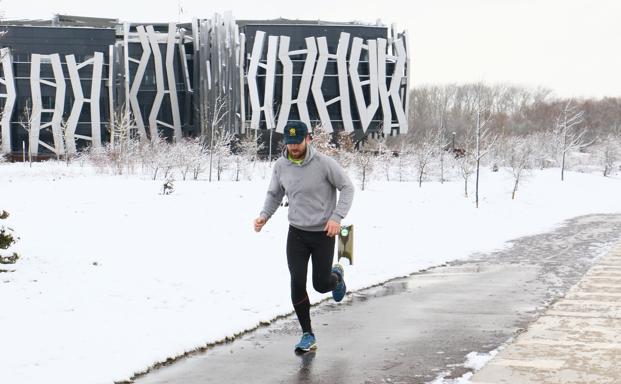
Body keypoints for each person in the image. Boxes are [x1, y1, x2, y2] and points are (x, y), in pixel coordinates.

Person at [254, 120, 355, 353]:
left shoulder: (324, 164)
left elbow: (348, 188)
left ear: (308, 139)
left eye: (297, 142)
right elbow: (274, 193)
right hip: (296, 233)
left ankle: (336, 278)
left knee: (320, 285)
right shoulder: (281, 165)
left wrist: (336, 217)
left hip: (323, 233)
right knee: (297, 282)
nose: (293, 147)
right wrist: (264, 216)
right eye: (289, 143)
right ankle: (307, 334)